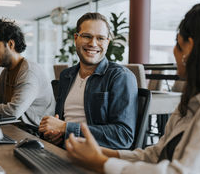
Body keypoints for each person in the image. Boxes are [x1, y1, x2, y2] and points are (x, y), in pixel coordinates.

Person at [65, 0, 200, 174]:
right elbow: (155, 155)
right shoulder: (194, 102)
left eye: (178, 43)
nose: (174, 51)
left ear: (190, 48)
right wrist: (103, 154)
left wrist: (101, 163)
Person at [39, 12, 138, 149]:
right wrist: (54, 134)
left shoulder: (120, 77)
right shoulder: (66, 76)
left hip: (94, 158)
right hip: (62, 151)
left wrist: (65, 128)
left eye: (101, 38)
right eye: (87, 36)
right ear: (76, 38)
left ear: (107, 42)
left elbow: (123, 136)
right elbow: (60, 123)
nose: (93, 43)